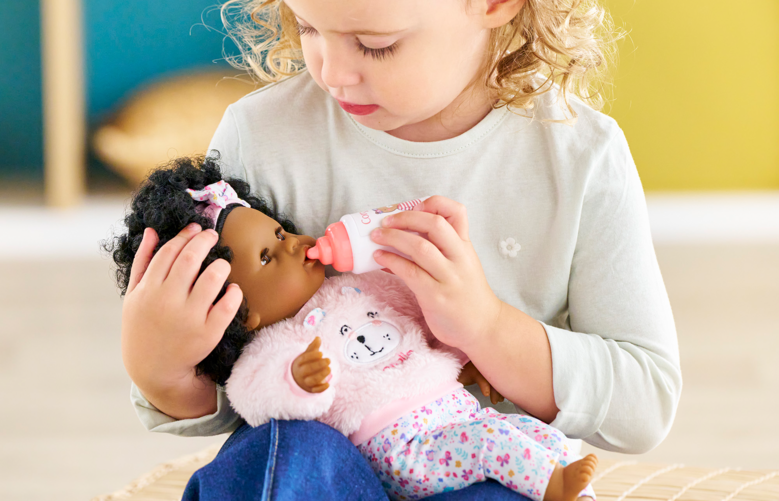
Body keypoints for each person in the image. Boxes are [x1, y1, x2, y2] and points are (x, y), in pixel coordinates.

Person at [120, 0, 681, 499]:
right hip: (316, 469)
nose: (330, 69)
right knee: (280, 460)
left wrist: (484, 326)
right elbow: (241, 394)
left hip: (479, 467)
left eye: (375, 44)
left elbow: (644, 401)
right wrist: (160, 367)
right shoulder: (264, 137)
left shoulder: (576, 157)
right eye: (306, 24)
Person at [110, 157, 599, 500]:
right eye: (267, 255)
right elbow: (254, 394)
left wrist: (473, 351)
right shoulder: (278, 344)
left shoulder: (362, 288)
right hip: (403, 449)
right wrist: (298, 380)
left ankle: (561, 480)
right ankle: (552, 484)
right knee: (489, 449)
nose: (295, 244)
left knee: (526, 434)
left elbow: (423, 318)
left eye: (280, 233)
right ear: (241, 314)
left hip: (454, 419)